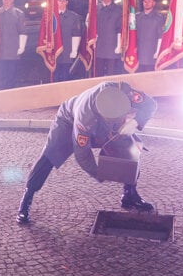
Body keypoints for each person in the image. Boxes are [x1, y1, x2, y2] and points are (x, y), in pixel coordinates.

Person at [16, 81, 157, 224]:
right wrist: (97, 173)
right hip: (68, 121)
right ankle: (27, 198)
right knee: (50, 155)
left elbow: (151, 104)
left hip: (106, 123)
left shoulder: (123, 91)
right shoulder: (84, 118)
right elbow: (82, 153)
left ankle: (129, 195)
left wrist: (135, 122)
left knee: (129, 149)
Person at [0, 0, 27, 90]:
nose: (6, 0)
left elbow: (22, 32)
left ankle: (10, 97)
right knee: (1, 77)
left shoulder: (18, 13)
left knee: (11, 77)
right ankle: (2, 97)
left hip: (13, 50)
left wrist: (21, 47)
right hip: (0, 51)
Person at [53, 0, 82, 82]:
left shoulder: (73, 16)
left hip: (67, 52)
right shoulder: (51, 16)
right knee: (55, 78)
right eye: (59, 0)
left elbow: (76, 34)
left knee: (66, 78)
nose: (61, 2)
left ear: (67, 2)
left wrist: (74, 50)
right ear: (56, 1)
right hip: (54, 54)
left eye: (64, 0)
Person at [95, 0, 122, 76]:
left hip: (112, 46)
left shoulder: (118, 10)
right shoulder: (95, 9)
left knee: (112, 73)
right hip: (98, 46)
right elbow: (90, 26)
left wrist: (119, 45)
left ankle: (112, 90)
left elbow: (120, 29)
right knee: (98, 73)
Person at [135, 0, 164, 72]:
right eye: (145, 1)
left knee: (150, 78)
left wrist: (158, 51)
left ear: (154, 3)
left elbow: (160, 36)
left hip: (151, 53)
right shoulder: (137, 17)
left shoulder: (159, 18)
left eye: (149, 1)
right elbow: (134, 35)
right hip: (139, 53)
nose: (147, 3)